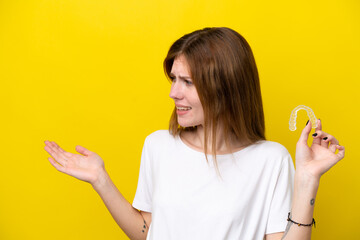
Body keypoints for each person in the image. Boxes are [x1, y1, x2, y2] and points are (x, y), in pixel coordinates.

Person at [44, 27, 345, 240]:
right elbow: (149, 233)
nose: (174, 93)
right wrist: (101, 180)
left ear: (225, 87)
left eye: (187, 82)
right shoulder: (158, 146)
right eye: (174, 79)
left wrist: (307, 180)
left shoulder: (270, 160)